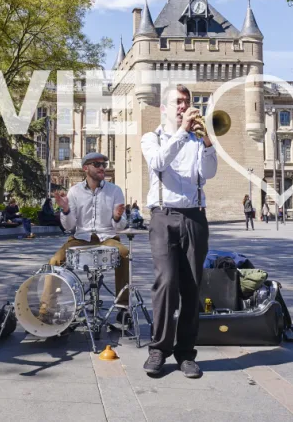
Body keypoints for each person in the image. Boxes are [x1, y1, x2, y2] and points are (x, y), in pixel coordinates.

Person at [141, 84, 217, 379]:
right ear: (164, 108)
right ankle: (159, 348)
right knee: (166, 281)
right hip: (164, 215)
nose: (183, 106)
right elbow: (159, 162)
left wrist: (208, 141)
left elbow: (208, 174)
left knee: (192, 286)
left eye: (187, 101)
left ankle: (186, 352)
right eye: (177, 102)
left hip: (195, 217)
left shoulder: (197, 140)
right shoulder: (152, 138)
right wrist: (183, 131)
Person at [46, 153, 130, 324]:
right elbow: (69, 226)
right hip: (81, 237)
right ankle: (47, 310)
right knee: (54, 261)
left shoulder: (115, 190)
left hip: (107, 236)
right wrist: (66, 210)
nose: (102, 168)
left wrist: (116, 217)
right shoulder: (75, 191)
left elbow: (121, 226)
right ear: (86, 168)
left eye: (104, 164)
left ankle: (123, 307)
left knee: (124, 253)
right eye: (97, 164)